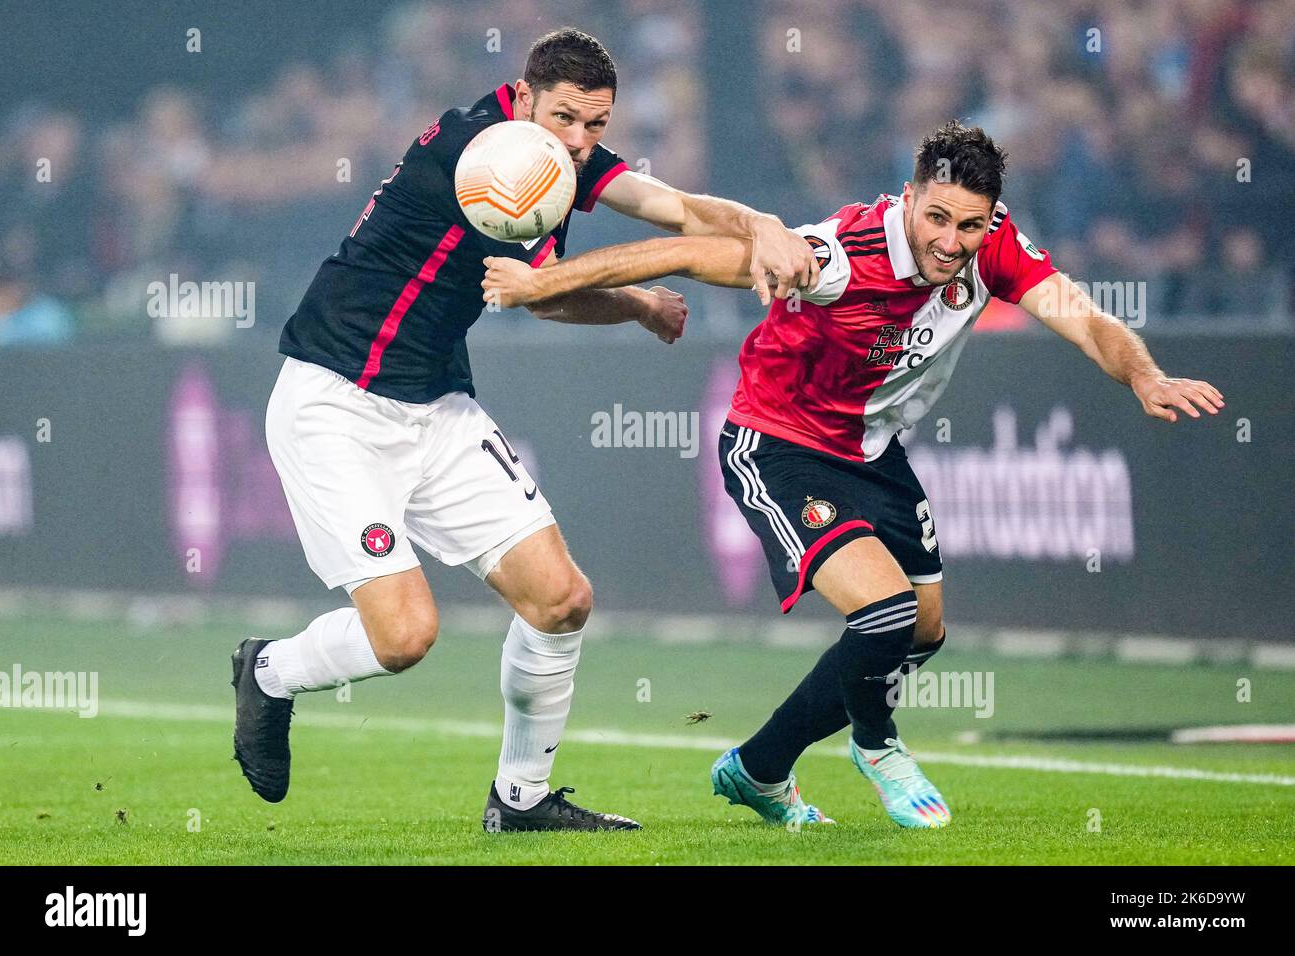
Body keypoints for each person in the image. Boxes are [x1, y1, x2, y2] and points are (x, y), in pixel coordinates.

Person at [480, 120, 1225, 829]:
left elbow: (1083, 315)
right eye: (937, 219)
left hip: (873, 450)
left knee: (920, 634)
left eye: (969, 226)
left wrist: (1144, 378)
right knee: (884, 615)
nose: (951, 241)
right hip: (777, 443)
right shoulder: (835, 255)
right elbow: (681, 252)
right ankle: (879, 745)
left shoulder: (993, 245)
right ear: (908, 198)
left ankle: (759, 766)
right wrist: (540, 285)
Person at [233, 27, 818, 833]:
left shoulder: (552, 151)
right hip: (336, 400)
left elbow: (676, 205)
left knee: (560, 599)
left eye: (596, 127)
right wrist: (648, 300)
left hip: (434, 405)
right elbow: (544, 292)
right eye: (567, 119)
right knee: (403, 637)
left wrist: (766, 225)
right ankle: (268, 670)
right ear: (525, 93)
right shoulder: (489, 154)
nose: (579, 143)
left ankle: (522, 800)